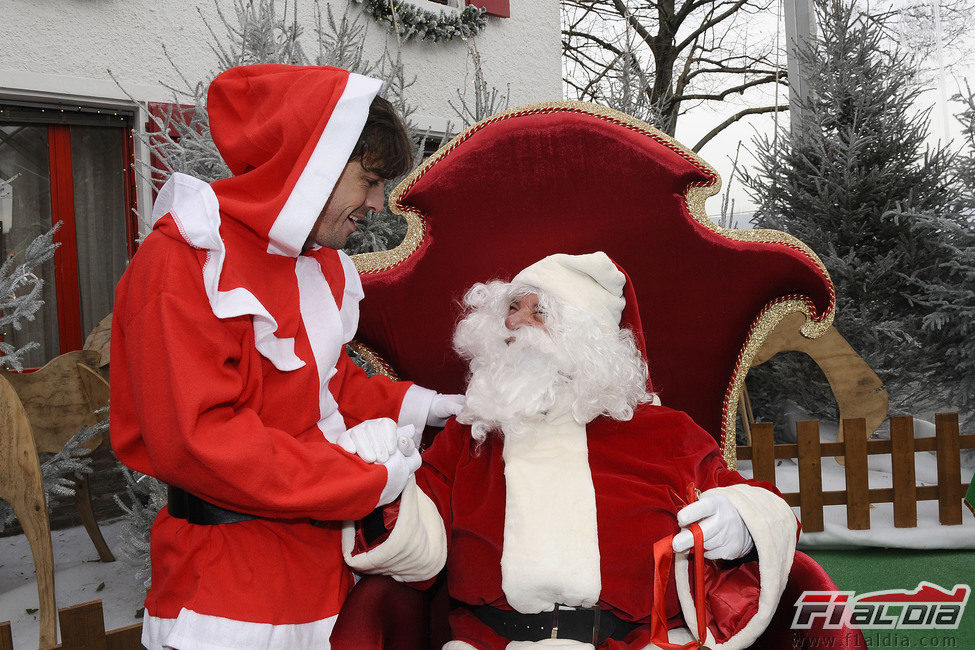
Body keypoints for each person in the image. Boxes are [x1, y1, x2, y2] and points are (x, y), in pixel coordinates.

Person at [111, 64, 463, 649]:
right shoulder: (188, 258)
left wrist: (427, 408)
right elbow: (201, 441)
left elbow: (329, 388)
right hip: (229, 590)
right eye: (370, 180)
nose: (378, 204)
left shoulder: (314, 264)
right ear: (313, 163)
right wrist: (366, 478)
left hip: (326, 576)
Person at [343, 252, 798, 650]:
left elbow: (761, 505)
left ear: (587, 338)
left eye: (539, 311)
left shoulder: (665, 432)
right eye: (512, 307)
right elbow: (420, 550)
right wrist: (386, 485)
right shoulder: (472, 434)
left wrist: (742, 524)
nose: (515, 322)